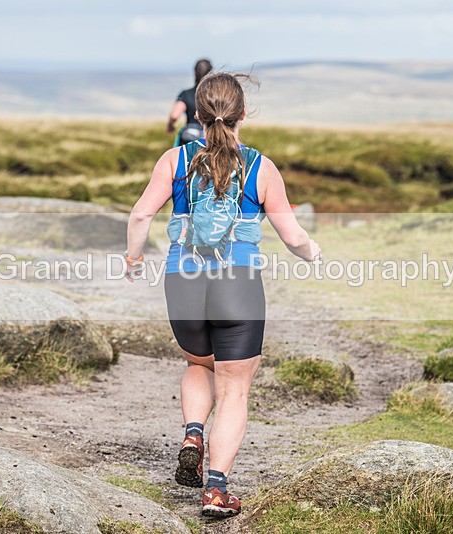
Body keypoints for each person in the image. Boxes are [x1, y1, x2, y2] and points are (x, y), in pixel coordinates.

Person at [125, 71, 320, 518]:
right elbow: (292, 235)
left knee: (198, 362)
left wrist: (134, 260)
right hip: (239, 286)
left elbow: (140, 217)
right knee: (234, 388)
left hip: (183, 281)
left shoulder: (174, 160)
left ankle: (193, 433)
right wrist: (312, 253)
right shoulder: (261, 167)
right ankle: (216, 491)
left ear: (196, 112)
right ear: (243, 115)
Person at [166, 58, 213, 146]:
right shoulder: (216, 96)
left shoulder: (186, 94)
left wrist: (170, 125)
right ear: (211, 74)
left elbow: (174, 115)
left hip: (190, 135)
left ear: (195, 72)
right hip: (210, 136)